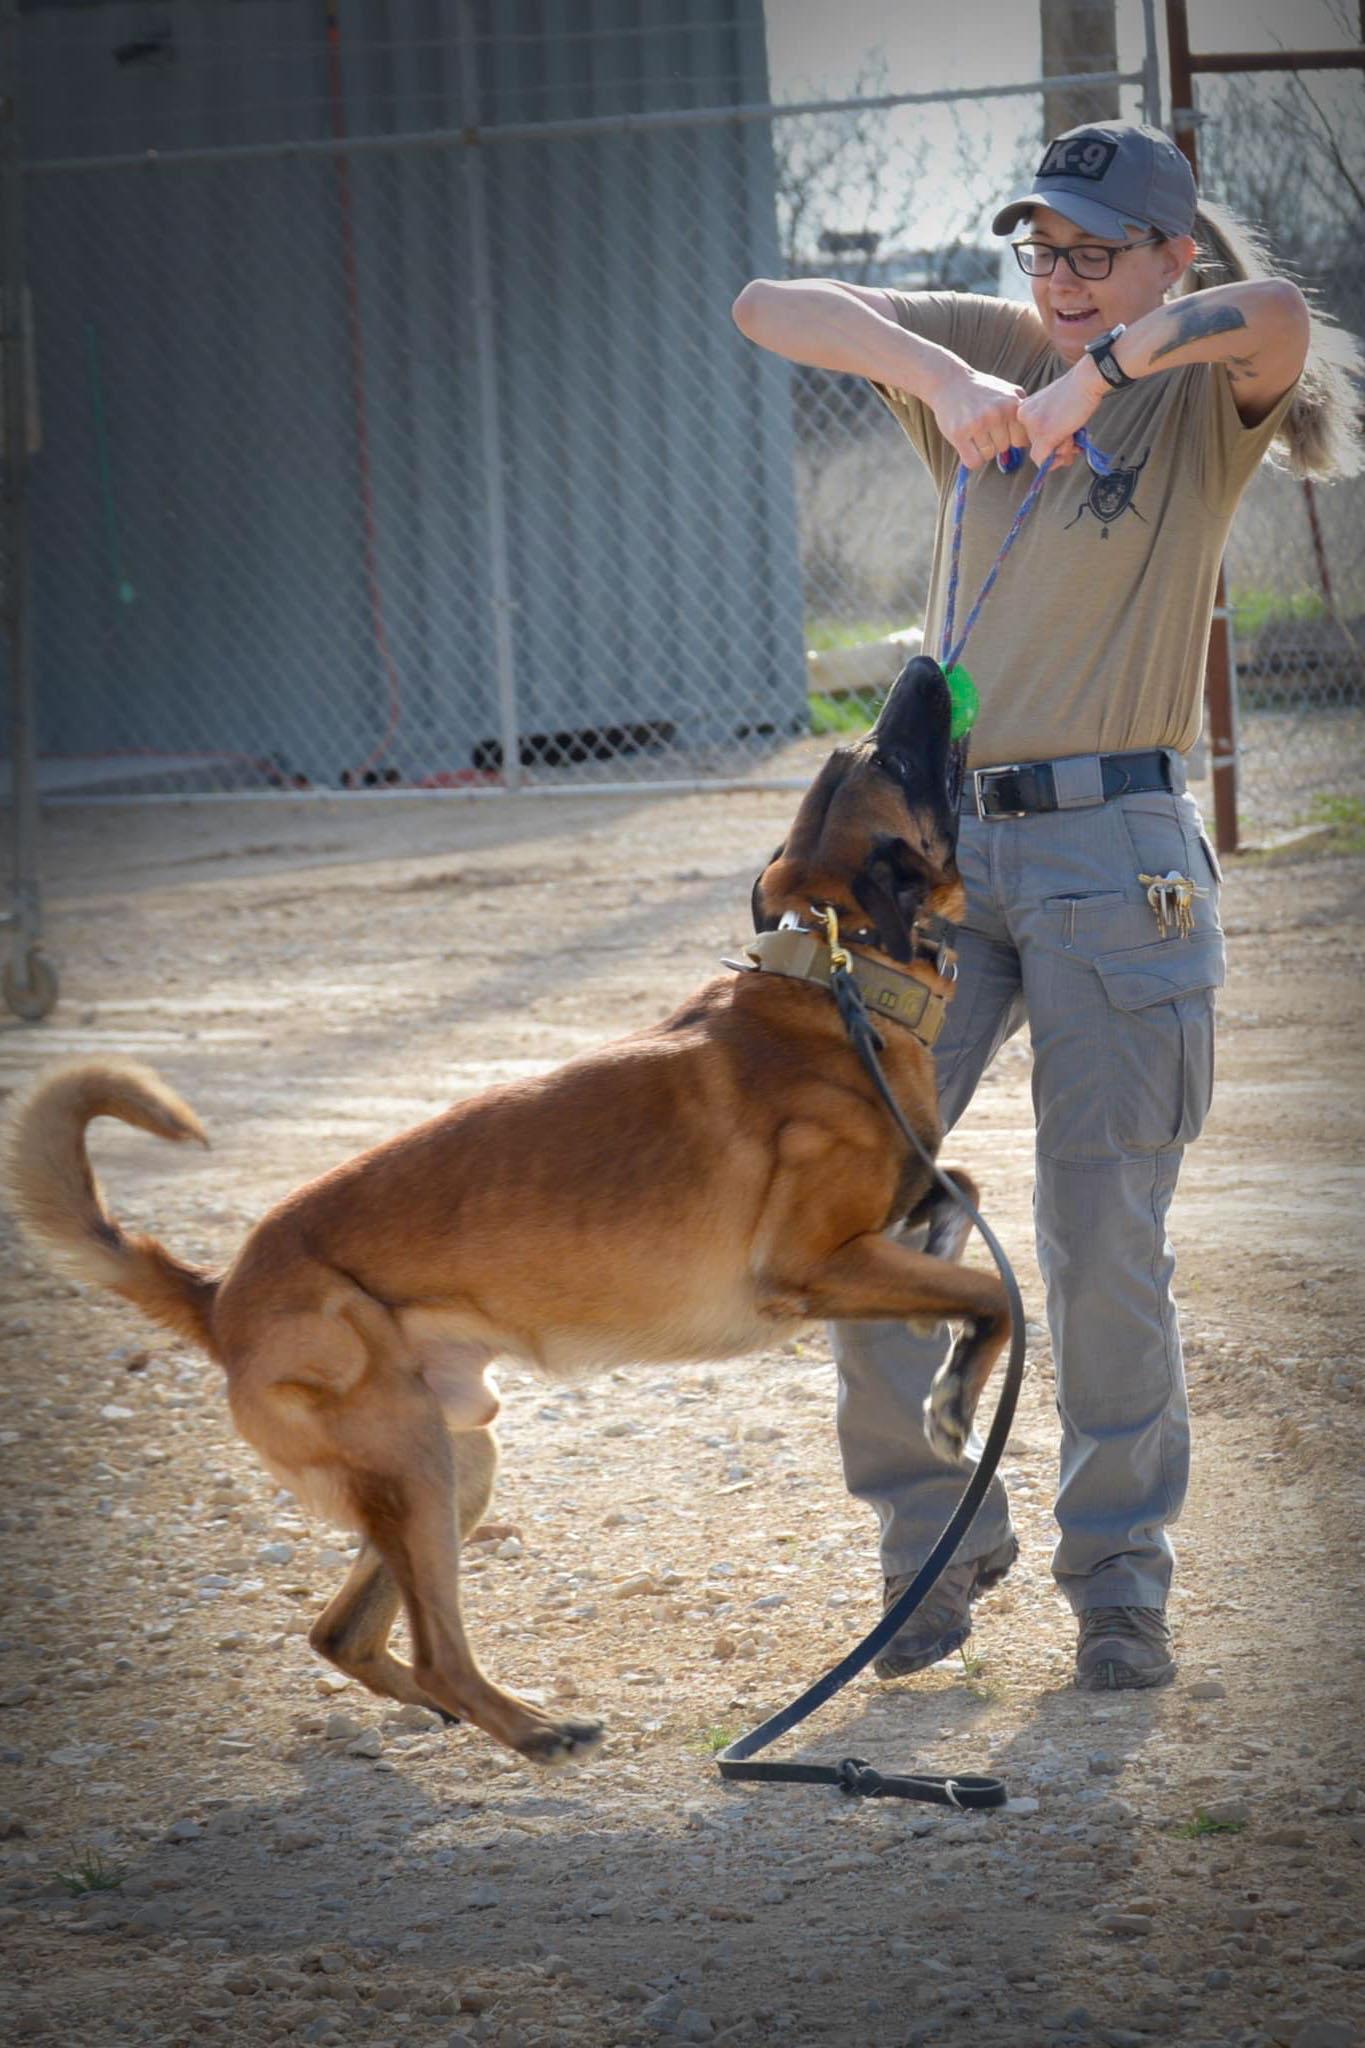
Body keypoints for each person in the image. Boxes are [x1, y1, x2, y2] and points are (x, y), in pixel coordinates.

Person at [733, 120, 1360, 1691]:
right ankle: (929, 1553)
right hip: (931, 863)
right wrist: (950, 385)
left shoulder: (1193, 400)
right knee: (852, 1209)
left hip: (1111, 852)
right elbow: (764, 301)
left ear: (1164, 256)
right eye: (1044, 250)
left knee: (1098, 1237)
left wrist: (1096, 378)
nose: (1062, 282)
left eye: (1095, 252)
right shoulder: (990, 351)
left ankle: (1117, 1584)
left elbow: (1277, 321)